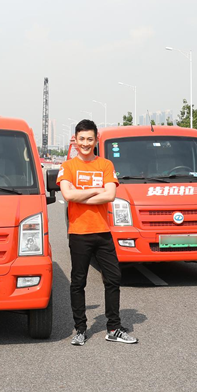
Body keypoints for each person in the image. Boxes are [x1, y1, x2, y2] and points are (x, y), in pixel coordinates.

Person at [57, 119, 137, 346]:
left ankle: (114, 327)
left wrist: (81, 192)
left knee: (113, 279)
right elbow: (68, 196)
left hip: (102, 232)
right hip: (79, 233)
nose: (85, 143)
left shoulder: (105, 165)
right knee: (78, 282)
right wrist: (95, 189)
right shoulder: (68, 167)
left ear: (96, 140)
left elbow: (110, 195)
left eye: (89, 139)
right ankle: (80, 329)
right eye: (81, 139)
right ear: (75, 140)